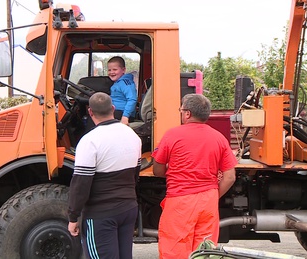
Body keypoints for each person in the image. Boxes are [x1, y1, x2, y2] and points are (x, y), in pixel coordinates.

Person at [151, 94, 237, 259]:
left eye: (181, 110)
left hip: (181, 200)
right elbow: (230, 177)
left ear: (188, 113)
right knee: (204, 251)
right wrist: (213, 195)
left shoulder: (172, 135)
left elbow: (158, 170)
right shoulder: (219, 138)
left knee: (175, 250)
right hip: (209, 200)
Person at [68, 92, 142, 258]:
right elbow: (135, 176)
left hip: (101, 215)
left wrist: (73, 216)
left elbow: (81, 184)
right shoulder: (132, 136)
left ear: (90, 112)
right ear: (113, 108)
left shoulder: (90, 141)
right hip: (129, 209)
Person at [107, 56, 138, 125]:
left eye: (115, 69)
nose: (111, 72)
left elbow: (132, 99)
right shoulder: (117, 83)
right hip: (116, 111)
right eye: (109, 70)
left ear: (123, 70)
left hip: (122, 113)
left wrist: (125, 116)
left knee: (98, 117)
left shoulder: (125, 83)